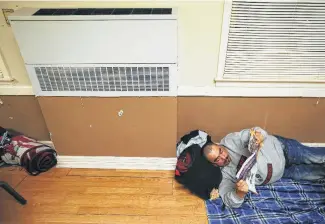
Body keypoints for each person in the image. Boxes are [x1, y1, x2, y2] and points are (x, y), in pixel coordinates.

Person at [202, 127, 325, 208]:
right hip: (282, 173)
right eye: (217, 159)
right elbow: (230, 200)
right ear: (214, 164)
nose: (223, 157)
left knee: (318, 157)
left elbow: (253, 131)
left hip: (283, 150)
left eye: (220, 151)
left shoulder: (230, 140)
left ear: (220, 146)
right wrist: (239, 194)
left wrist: (257, 136)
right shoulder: (223, 176)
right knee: (316, 174)